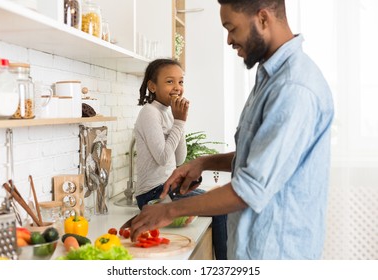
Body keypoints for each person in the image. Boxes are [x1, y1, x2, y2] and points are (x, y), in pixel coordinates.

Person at [124, 0, 334, 260]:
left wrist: (168, 211)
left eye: (232, 28)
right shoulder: (269, 80)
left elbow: (250, 187)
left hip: (275, 254)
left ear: (263, 19)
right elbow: (259, 157)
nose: (229, 40)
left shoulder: (292, 88)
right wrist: (205, 162)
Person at [132, 58, 227, 260]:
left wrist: (179, 121)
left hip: (167, 188)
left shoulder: (167, 112)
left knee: (220, 201)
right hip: (152, 194)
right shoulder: (149, 113)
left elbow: (179, 157)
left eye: (181, 82)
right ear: (152, 86)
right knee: (220, 210)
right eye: (169, 81)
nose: (177, 87)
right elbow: (162, 157)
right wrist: (180, 121)